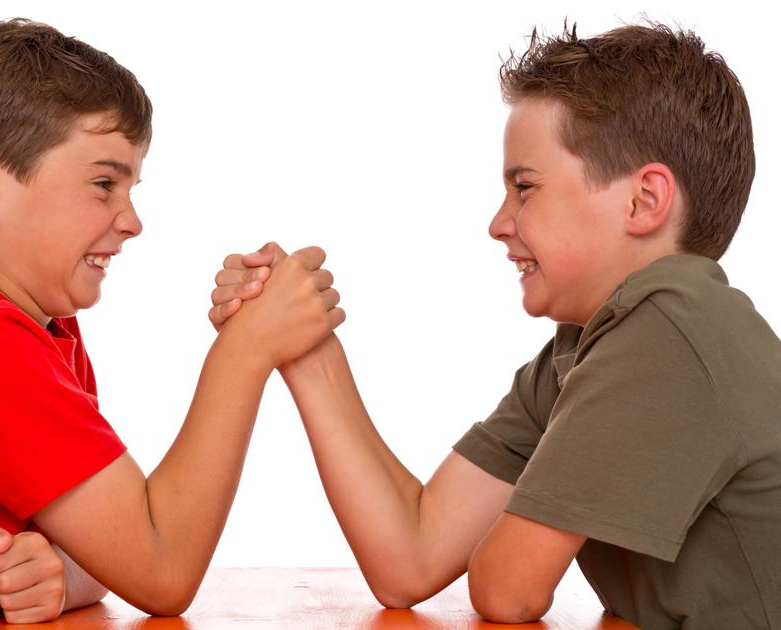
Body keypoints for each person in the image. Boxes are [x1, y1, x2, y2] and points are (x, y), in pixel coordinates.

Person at [210, 22, 779, 629]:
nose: (499, 223)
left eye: (524, 187)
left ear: (642, 201)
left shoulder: (669, 332)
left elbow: (508, 590)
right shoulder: (584, 350)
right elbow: (410, 557)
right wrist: (302, 344)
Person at [0, 18, 343, 629]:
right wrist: (246, 350)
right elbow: (161, 569)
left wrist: (60, 573)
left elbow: (111, 547)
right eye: (104, 184)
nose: (132, 221)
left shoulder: (31, 327)